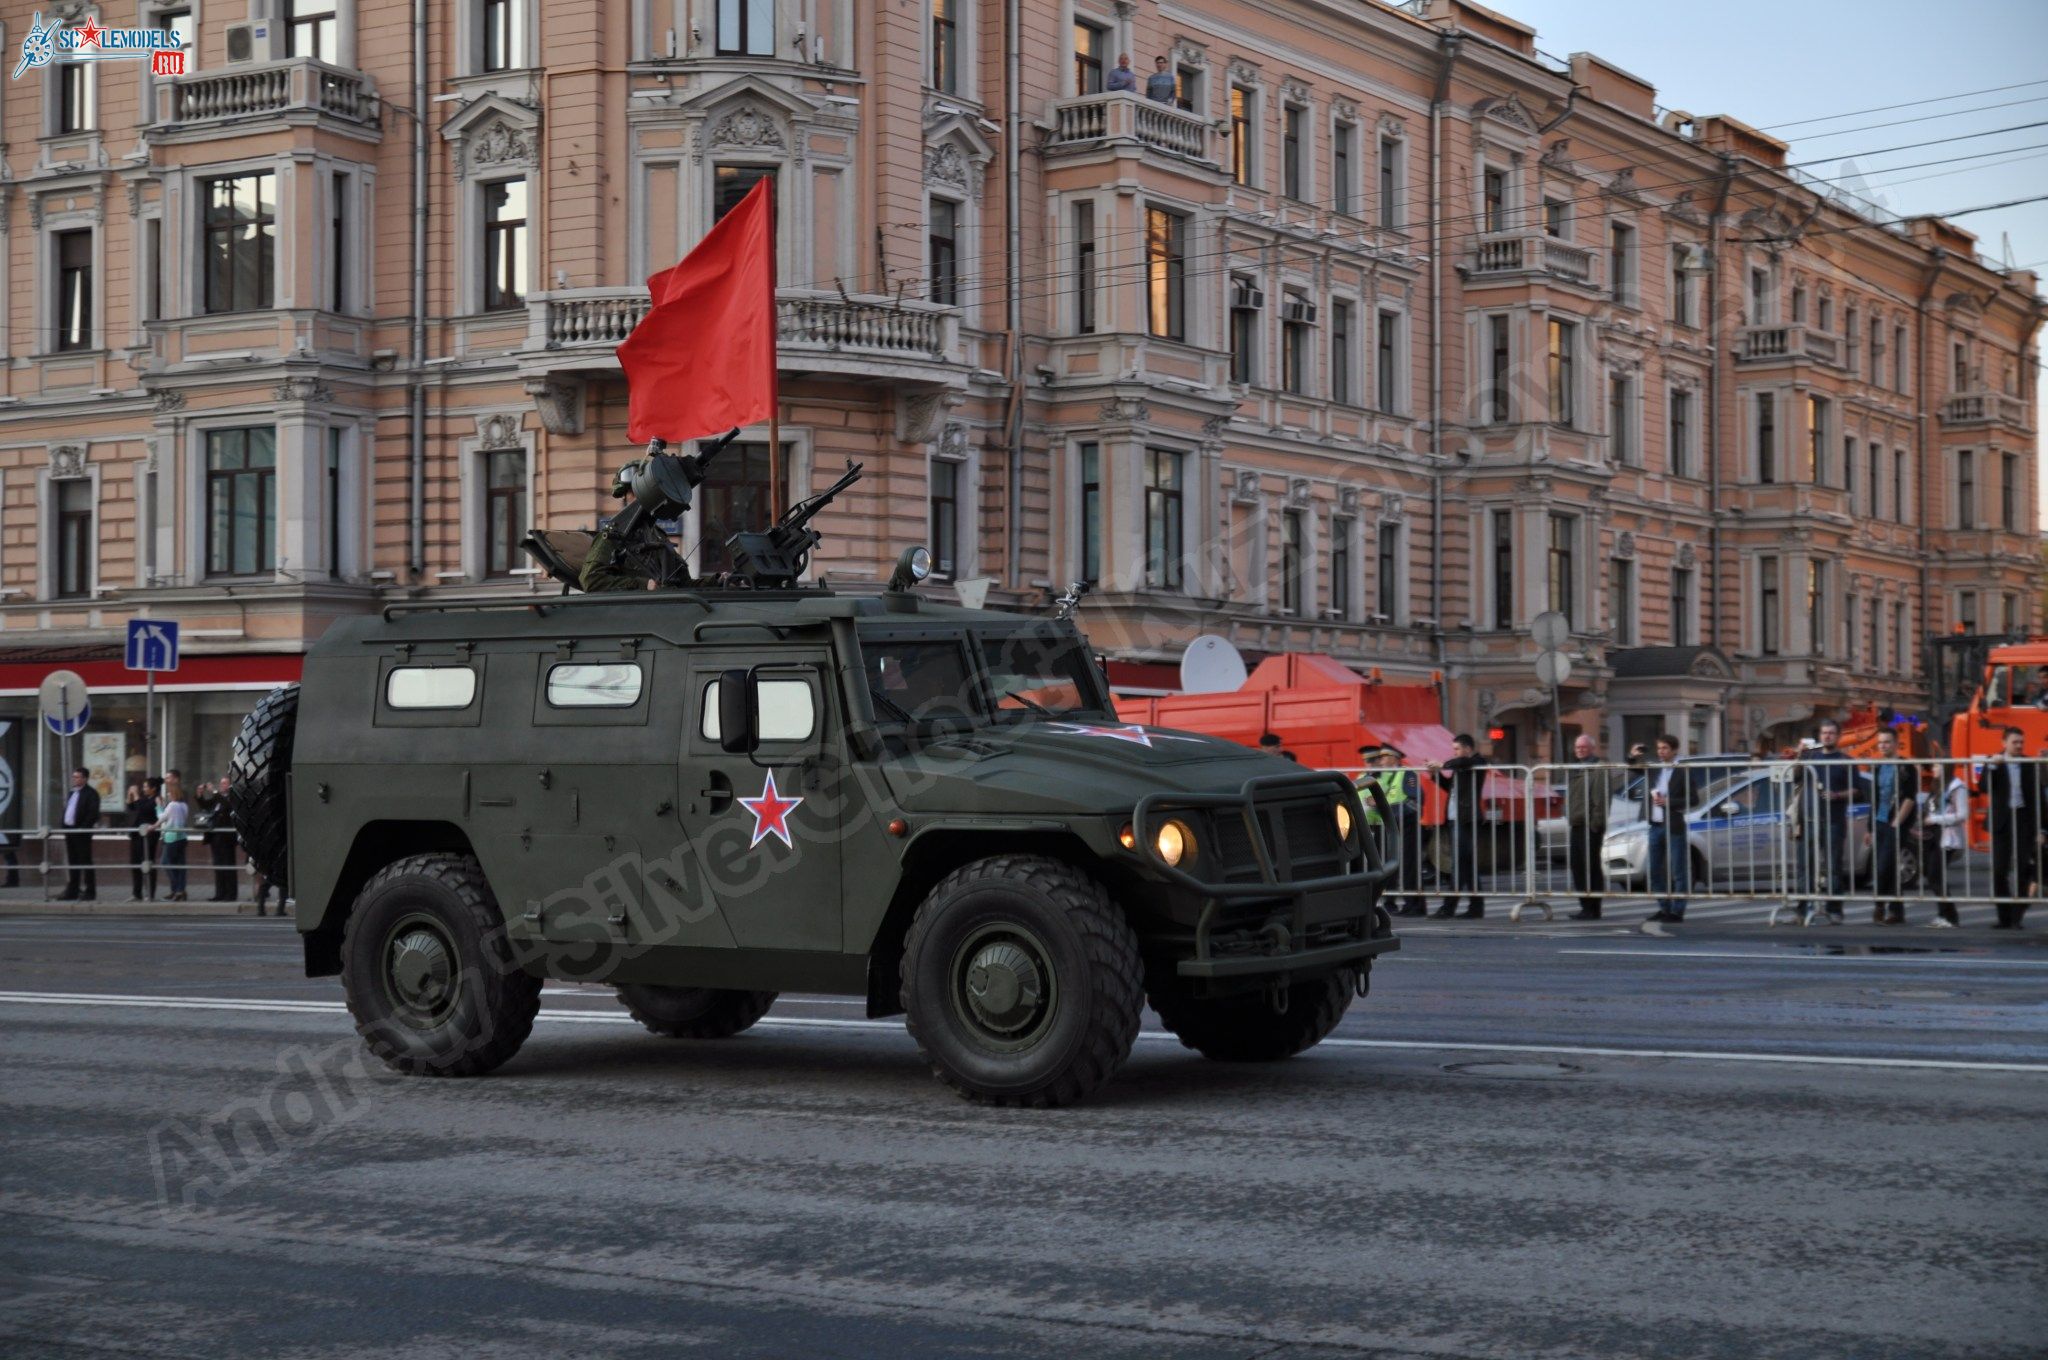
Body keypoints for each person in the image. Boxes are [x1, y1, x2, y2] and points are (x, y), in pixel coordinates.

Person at [1975, 726, 2042, 929]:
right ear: (2004, 743)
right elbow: (1983, 787)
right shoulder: (1994, 761)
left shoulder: (2029, 764)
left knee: (2024, 869)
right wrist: (1994, 767)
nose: (2019, 746)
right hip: (2002, 822)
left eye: (2021, 742)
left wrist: (2041, 829)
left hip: (2023, 820)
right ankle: (2003, 917)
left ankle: (2017, 916)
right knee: (1999, 870)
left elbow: (2038, 798)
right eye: (2015, 742)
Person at [1792, 719, 1854, 925]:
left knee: (1833, 866)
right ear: (1819, 736)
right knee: (1805, 866)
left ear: (1838, 736)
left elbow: (1857, 790)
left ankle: (1834, 909)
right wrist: (1799, 754)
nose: (1827, 736)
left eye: (1831, 733)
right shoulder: (1810, 757)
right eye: (1824, 732)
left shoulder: (1845, 760)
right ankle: (1803, 909)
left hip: (1833, 820)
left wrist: (1837, 795)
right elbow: (1795, 777)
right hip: (1809, 819)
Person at [1360, 746, 1425, 916]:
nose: (1380, 761)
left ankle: (1415, 905)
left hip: (1406, 825)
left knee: (1410, 865)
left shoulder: (1407, 774)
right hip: (1392, 826)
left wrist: (1385, 807)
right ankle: (1406, 904)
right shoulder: (1386, 777)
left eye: (1384, 757)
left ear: (1395, 758)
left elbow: (1414, 803)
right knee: (1394, 865)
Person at [1429, 735, 1486, 918]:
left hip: (1466, 819)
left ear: (1468, 749)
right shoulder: (1460, 766)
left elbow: (1460, 762)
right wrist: (1435, 774)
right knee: (1467, 866)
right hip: (1455, 818)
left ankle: (1449, 907)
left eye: (1457, 749)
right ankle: (1476, 907)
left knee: (1459, 865)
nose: (1455, 753)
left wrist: (1443, 765)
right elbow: (1449, 786)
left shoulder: (1477, 762)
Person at [1562, 733, 1615, 920]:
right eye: (1577, 747)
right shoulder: (1577, 768)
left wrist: (1596, 824)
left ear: (1592, 748)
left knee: (1590, 867)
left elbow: (1600, 799)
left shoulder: (1598, 768)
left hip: (1589, 825)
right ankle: (1585, 906)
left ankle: (1593, 907)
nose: (1580, 750)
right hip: (1577, 824)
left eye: (1583, 747)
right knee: (1578, 867)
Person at [1865, 729, 1914, 926]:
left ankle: (1880, 904)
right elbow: (1874, 799)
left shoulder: (1905, 767)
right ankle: (1895, 911)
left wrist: (1898, 821)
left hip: (1896, 823)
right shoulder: (1876, 767)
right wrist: (1870, 827)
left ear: (1896, 744)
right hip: (1879, 821)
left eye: (1887, 742)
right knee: (1886, 867)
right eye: (1880, 742)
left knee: (1886, 865)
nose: (1883, 745)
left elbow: (1910, 797)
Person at [1644, 734, 1695, 923]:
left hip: (1673, 824)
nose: (1661, 752)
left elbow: (1694, 799)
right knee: (1654, 869)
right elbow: (1635, 769)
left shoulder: (1682, 770)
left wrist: (1669, 802)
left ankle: (1677, 910)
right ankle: (1664, 907)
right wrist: (1632, 757)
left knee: (1678, 870)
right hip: (1655, 824)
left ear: (1674, 750)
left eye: (1665, 748)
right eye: (1658, 748)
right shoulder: (1655, 769)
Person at [1918, 761, 1968, 928]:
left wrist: (1935, 819)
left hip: (1948, 837)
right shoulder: (1937, 785)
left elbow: (1962, 814)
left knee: (1936, 876)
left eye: (1937, 766)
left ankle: (1951, 916)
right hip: (1934, 836)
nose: (1933, 769)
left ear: (1945, 767)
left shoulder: (1956, 786)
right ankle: (1943, 914)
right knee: (1932, 876)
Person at [56, 766, 101, 901]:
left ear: (85, 779)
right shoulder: (72, 792)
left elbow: (92, 814)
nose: (74, 779)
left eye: (77, 777)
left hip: (81, 832)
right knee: (73, 861)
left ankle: (90, 891)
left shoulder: (91, 793)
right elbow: (69, 810)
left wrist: (83, 828)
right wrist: (64, 825)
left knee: (85, 861)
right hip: (70, 832)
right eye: (73, 777)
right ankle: (73, 890)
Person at [194, 774, 239, 902]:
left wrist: (214, 791)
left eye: (225, 783)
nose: (222, 786)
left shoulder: (232, 797)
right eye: (221, 783)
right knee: (218, 866)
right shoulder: (216, 799)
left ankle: (231, 894)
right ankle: (219, 894)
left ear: (230, 785)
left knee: (228, 866)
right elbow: (205, 806)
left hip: (227, 838)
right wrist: (200, 795)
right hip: (215, 838)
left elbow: (227, 805)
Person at [154, 775, 191, 903]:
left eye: (169, 793)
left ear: (173, 794)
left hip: (171, 838)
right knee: (180, 865)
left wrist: (159, 806)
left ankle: (177, 889)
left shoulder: (172, 805)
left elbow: (162, 817)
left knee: (166, 863)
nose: (168, 795)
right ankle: (179, 891)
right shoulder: (184, 806)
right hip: (182, 838)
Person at [126, 779, 161, 902]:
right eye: (143, 786)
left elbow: (144, 810)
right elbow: (131, 807)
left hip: (149, 836)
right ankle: (136, 893)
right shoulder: (144, 799)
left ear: (153, 788)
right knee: (135, 863)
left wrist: (136, 795)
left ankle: (150, 893)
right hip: (137, 835)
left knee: (147, 863)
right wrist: (130, 794)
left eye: (146, 787)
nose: (144, 789)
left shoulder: (156, 799)